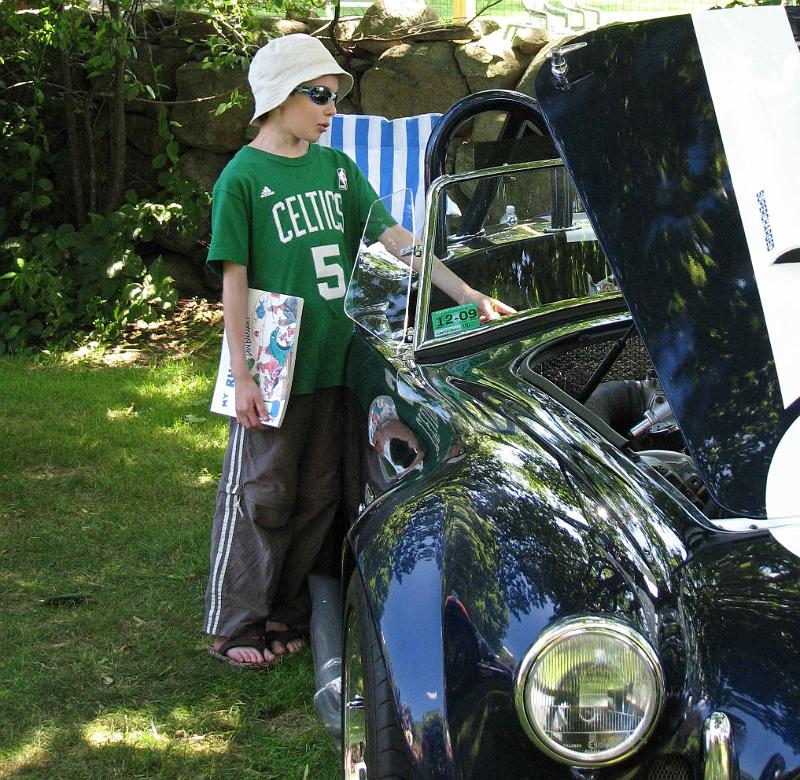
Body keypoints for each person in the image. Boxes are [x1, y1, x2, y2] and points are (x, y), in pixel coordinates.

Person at [203, 33, 513, 667]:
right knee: (263, 493)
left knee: (317, 496)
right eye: (318, 95)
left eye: (335, 97)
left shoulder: (337, 170)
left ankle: (288, 615)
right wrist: (242, 376)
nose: (330, 108)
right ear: (280, 96)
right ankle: (238, 623)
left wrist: (467, 290)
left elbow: (397, 239)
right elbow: (234, 280)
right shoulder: (242, 178)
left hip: (336, 360)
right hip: (275, 367)